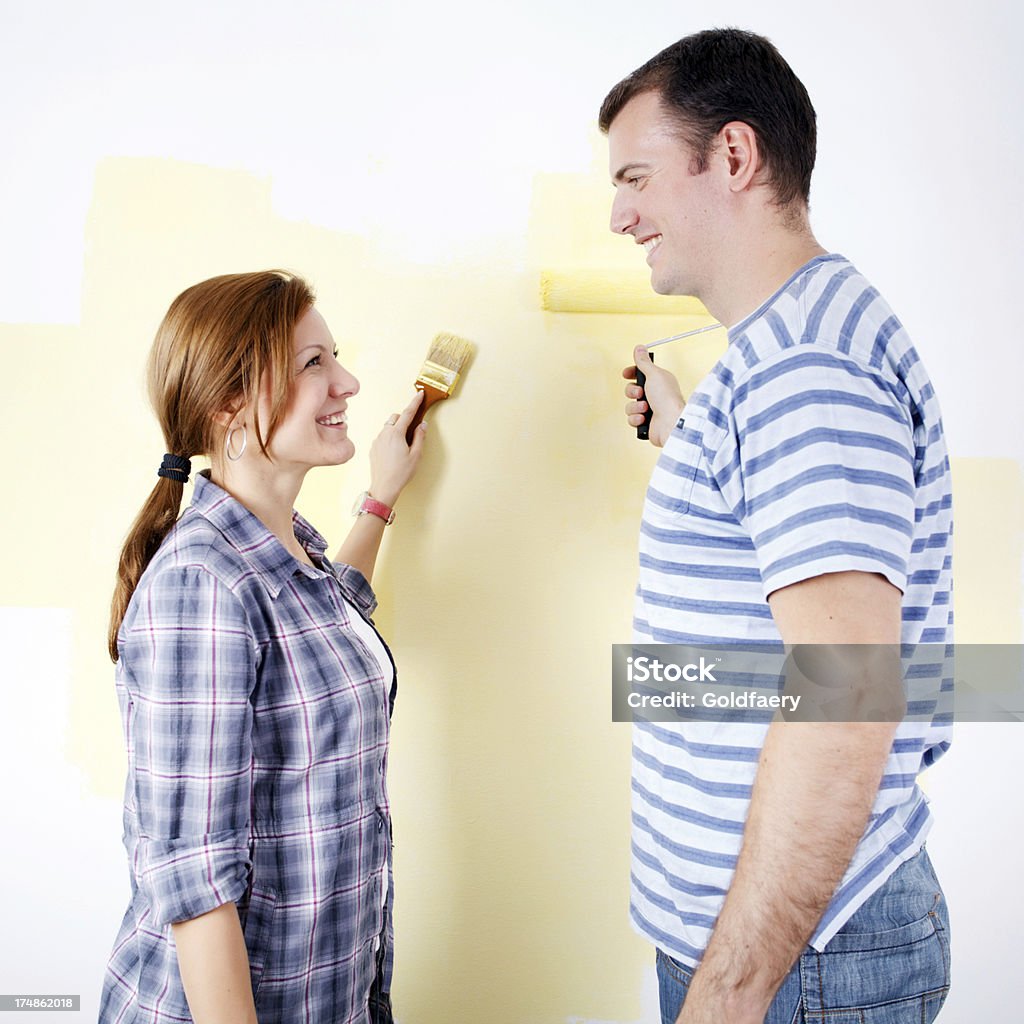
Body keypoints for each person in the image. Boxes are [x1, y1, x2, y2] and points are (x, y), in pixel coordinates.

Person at [600, 29, 953, 1024]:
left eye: (635, 176)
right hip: (779, 949)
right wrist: (691, 436)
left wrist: (731, 990)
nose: (618, 214)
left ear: (734, 156)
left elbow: (844, 695)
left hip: (793, 961)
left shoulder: (805, 372)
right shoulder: (787, 357)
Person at [99, 270, 427, 1024]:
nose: (345, 381)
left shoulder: (289, 549)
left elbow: (328, 625)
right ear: (230, 408)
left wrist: (380, 498)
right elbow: (196, 882)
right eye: (314, 363)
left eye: (334, 357)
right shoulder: (202, 585)